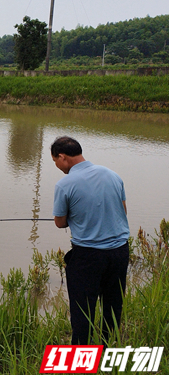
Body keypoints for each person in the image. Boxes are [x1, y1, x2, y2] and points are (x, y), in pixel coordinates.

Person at [51, 136, 130, 345]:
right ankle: (108, 347)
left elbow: (60, 223)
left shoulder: (64, 185)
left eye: (55, 162)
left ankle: (81, 360)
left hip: (88, 256)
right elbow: (123, 212)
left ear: (62, 157)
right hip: (120, 252)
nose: (57, 166)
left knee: (82, 310)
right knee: (113, 305)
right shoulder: (112, 175)